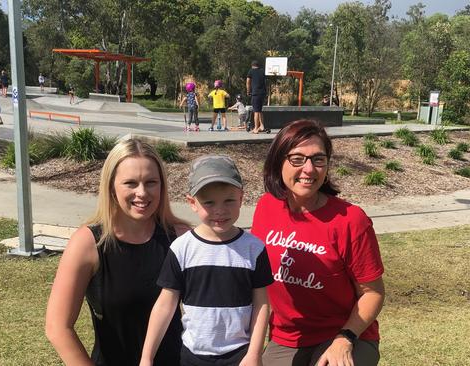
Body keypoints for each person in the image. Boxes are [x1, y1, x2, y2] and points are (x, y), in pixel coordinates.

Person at [251, 119, 385, 366]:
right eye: (297, 159)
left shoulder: (350, 220)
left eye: (318, 159)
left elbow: (373, 293)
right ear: (278, 161)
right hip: (287, 337)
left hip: (346, 333)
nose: (309, 169)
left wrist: (344, 338)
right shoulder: (266, 207)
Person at [45, 139, 189, 366]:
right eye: (130, 183)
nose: (142, 193)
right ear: (111, 186)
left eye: (151, 182)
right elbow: (57, 327)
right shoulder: (88, 243)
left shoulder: (182, 238)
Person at [140, 155, 273, 366]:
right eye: (209, 202)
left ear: (241, 197)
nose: (220, 210)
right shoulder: (181, 248)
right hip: (193, 355)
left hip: (240, 355)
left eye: (229, 200)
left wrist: (254, 353)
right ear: (192, 203)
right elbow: (165, 305)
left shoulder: (254, 249)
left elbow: (261, 304)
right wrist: (147, 357)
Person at [246, 61, 270, 134]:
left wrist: (248, 91)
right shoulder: (262, 71)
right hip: (262, 93)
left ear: (252, 66)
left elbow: (248, 81)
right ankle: (262, 126)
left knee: (256, 111)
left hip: (256, 93)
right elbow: (266, 81)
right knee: (259, 110)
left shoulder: (251, 71)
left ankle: (256, 128)